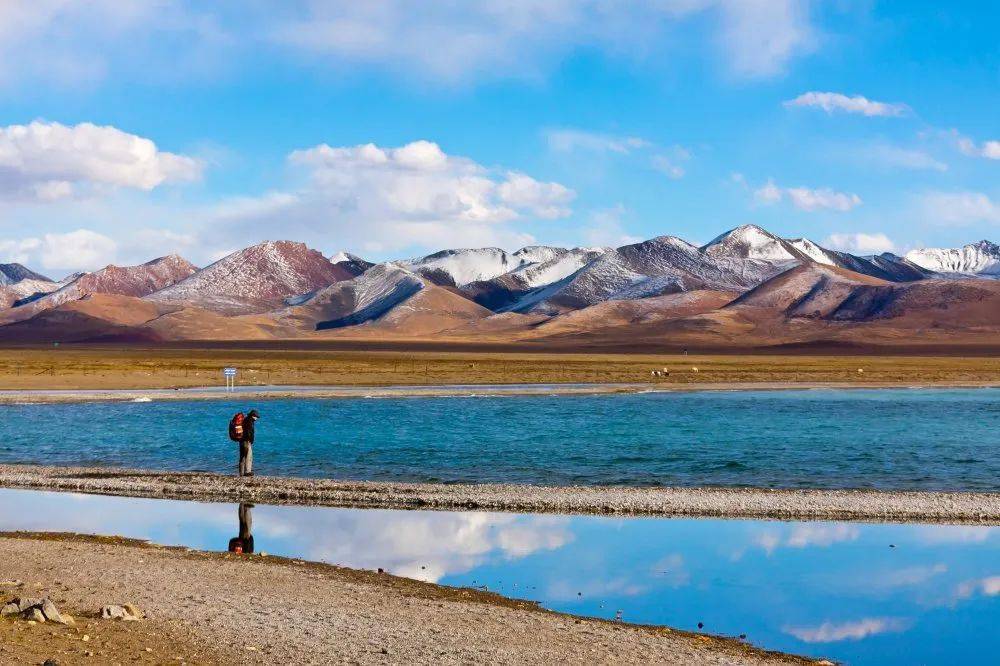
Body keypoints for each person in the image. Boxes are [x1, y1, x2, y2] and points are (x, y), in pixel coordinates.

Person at [239, 409, 259, 477]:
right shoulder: (250, 421)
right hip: (247, 441)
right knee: (248, 456)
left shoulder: (245, 420)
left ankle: (241, 473)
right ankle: (247, 472)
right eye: (256, 417)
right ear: (253, 416)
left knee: (242, 457)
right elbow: (249, 432)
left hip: (241, 440)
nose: (257, 418)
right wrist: (251, 440)